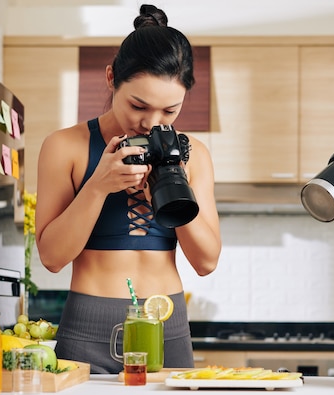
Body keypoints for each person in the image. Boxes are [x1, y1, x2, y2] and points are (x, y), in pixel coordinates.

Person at [35, 4, 221, 373]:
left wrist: (170, 192)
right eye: (139, 105)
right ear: (110, 79)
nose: (152, 122)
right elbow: (52, 258)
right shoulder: (64, 146)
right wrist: (97, 187)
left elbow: (206, 262)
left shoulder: (193, 154)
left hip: (165, 323)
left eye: (170, 111)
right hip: (87, 327)